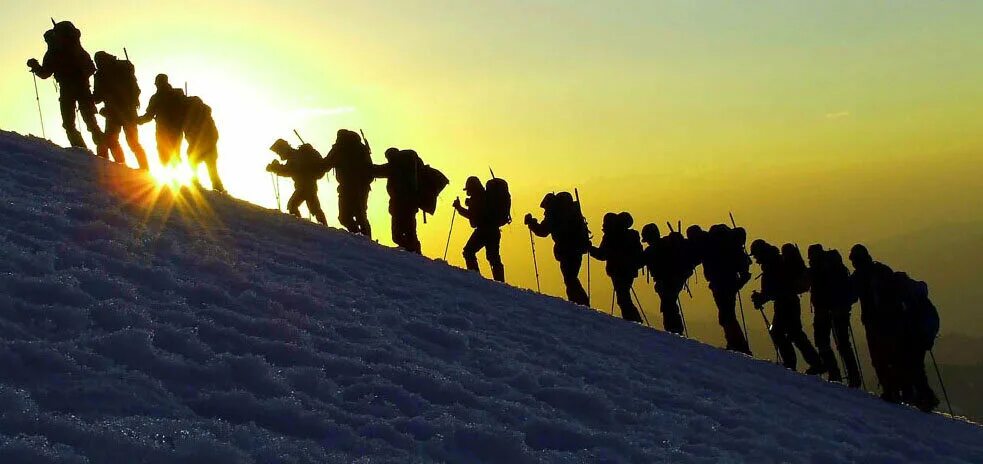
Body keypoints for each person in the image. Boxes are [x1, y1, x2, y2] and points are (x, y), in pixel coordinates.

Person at [751, 239, 825, 374]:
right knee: (794, 333)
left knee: (780, 332)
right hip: (790, 302)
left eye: (756, 255)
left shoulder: (772, 265)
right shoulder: (776, 261)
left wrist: (760, 299)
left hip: (785, 304)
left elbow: (775, 289)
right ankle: (813, 362)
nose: (756, 259)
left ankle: (792, 364)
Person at [27, 21, 103, 150]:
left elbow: (45, 73)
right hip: (83, 88)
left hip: (67, 89)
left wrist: (35, 66)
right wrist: (81, 76)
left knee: (69, 124)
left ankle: (83, 153)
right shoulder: (77, 47)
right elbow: (91, 67)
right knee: (91, 123)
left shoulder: (53, 52)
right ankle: (105, 153)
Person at [849, 244, 905, 403]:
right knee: (891, 355)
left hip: (874, 321)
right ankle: (899, 389)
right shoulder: (882, 270)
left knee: (879, 357)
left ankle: (891, 390)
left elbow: (850, 296)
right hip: (892, 320)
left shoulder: (859, 276)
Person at [807, 244, 862, 387]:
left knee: (822, 341)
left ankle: (834, 372)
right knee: (843, 343)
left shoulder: (818, 269)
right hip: (840, 309)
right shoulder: (834, 268)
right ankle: (853, 376)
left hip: (825, 310)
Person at [524, 192, 590, 305]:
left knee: (570, 279)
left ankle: (581, 304)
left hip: (566, 250)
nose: (545, 211)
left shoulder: (555, 214)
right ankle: (579, 303)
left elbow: (543, 231)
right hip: (577, 249)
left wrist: (532, 223)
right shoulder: (570, 211)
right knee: (571, 278)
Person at [701, 224, 752, 354]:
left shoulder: (711, 245)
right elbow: (743, 269)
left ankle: (739, 346)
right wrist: (738, 285)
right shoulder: (731, 248)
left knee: (726, 315)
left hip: (719, 284)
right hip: (729, 283)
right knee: (727, 314)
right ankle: (736, 344)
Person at [91, 51, 147, 168]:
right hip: (129, 112)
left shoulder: (101, 74)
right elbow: (136, 90)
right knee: (133, 143)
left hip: (113, 113)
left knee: (112, 140)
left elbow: (97, 98)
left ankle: (120, 166)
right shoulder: (123, 69)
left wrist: (88, 96)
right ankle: (144, 169)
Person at [895, 271, 940, 412]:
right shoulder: (916, 299)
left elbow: (913, 320)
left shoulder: (913, 300)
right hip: (917, 338)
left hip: (917, 339)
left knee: (914, 367)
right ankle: (920, 396)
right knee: (914, 366)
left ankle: (924, 397)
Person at [590, 212, 643, 323]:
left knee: (623, 298)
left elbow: (602, 255)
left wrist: (589, 248)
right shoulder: (632, 235)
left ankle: (634, 322)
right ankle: (634, 321)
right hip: (629, 270)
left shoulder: (611, 236)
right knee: (624, 296)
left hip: (618, 271)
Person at [322, 129, 374, 237]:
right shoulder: (361, 148)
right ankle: (366, 239)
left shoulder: (339, 148)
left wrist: (314, 164)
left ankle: (359, 237)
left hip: (347, 187)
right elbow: (370, 169)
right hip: (363, 187)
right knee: (361, 215)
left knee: (344, 217)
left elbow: (326, 164)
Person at [453, 176, 505, 282]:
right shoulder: (486, 196)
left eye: (467, 190)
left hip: (483, 231)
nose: (467, 192)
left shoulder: (476, 198)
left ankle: (476, 279)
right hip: (494, 230)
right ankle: (500, 282)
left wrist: (459, 208)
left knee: (468, 252)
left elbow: (473, 219)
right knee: (494, 257)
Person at [640, 223, 688, 334]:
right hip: (676, 280)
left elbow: (638, 262)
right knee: (670, 304)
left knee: (668, 305)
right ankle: (675, 330)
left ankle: (674, 330)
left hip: (665, 282)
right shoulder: (668, 244)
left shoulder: (651, 251)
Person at [267, 139, 327, 224]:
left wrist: (275, 168)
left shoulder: (295, 156)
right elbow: (289, 170)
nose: (279, 154)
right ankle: (323, 227)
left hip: (305, 187)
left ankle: (301, 225)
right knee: (314, 208)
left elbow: (290, 170)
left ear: (284, 148)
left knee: (293, 205)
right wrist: (276, 168)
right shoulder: (295, 156)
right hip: (308, 186)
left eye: (279, 152)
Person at [376, 148, 423, 253]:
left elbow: (377, 171)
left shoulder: (395, 166)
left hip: (398, 206)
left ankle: (412, 251)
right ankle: (416, 254)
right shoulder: (410, 167)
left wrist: (363, 166)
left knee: (397, 236)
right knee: (411, 233)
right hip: (411, 205)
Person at [137, 74, 186, 168]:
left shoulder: (156, 98)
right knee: (175, 154)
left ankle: (171, 179)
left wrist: (138, 120)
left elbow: (149, 116)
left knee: (164, 155)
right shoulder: (178, 93)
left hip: (163, 131)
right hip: (177, 130)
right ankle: (176, 179)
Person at [183, 95, 225, 193]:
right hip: (209, 148)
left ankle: (197, 184)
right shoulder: (206, 115)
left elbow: (192, 133)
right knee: (211, 170)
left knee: (194, 164)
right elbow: (215, 134)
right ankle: (218, 189)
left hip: (202, 148)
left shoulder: (193, 117)